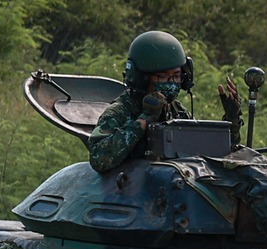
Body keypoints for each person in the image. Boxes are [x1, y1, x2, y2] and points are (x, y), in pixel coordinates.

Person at [88, 30, 242, 172]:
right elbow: (99, 159)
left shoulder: (178, 112)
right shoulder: (120, 111)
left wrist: (232, 119)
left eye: (176, 76)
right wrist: (144, 119)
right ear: (142, 78)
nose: (171, 83)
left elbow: (210, 152)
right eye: (162, 77)